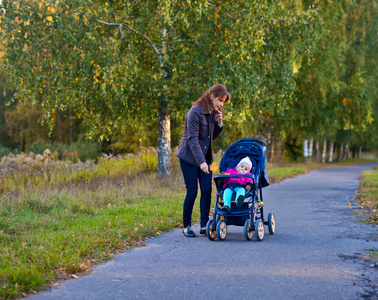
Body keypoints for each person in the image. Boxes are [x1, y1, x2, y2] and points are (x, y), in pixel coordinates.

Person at [176, 84, 231, 237]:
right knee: (192, 191)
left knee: (207, 190)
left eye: (223, 102)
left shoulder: (212, 113)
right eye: (220, 100)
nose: (221, 104)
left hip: (205, 158)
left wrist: (219, 124)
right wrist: (201, 162)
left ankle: (204, 225)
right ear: (212, 96)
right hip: (189, 157)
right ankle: (186, 226)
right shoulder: (194, 112)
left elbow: (210, 138)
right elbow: (192, 139)